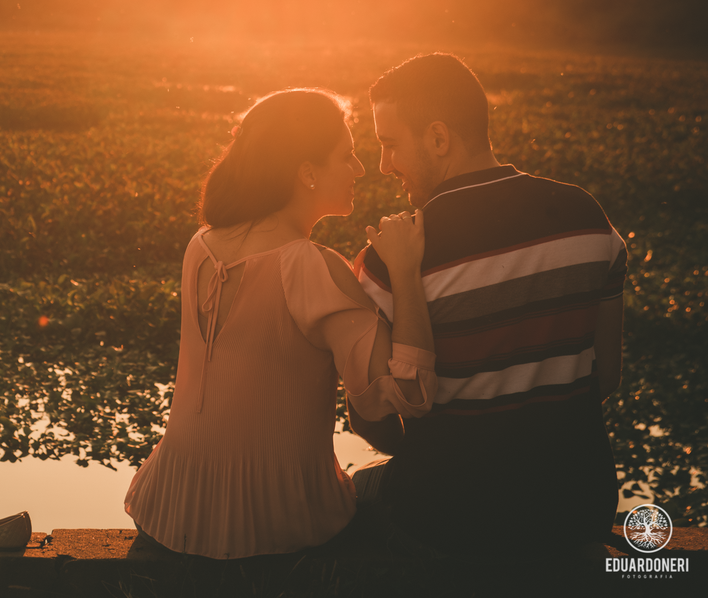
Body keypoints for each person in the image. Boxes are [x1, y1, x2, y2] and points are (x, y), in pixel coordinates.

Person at [123, 88, 437, 559]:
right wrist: (407, 272)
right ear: (307, 173)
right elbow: (407, 394)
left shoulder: (201, 244)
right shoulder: (310, 266)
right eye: (346, 156)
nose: (359, 168)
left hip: (170, 510)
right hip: (279, 521)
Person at [349, 53, 627, 550]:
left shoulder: (389, 258)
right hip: (577, 505)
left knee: (346, 491)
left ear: (438, 138)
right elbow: (606, 375)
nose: (384, 165)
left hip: (450, 514)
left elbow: (372, 419)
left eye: (390, 145)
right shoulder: (587, 217)